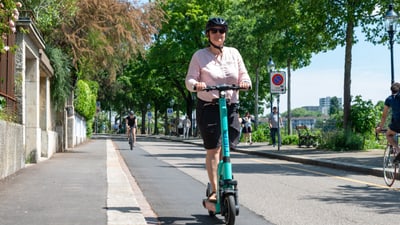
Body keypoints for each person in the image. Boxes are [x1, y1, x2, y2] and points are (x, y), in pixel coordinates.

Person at [185, 17, 252, 202]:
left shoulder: (234, 53)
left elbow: (243, 74)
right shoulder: (199, 56)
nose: (218, 34)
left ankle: (224, 176)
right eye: (214, 31)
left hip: (230, 105)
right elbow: (189, 79)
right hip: (208, 106)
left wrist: (245, 82)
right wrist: (196, 85)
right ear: (208, 34)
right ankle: (214, 189)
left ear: (225, 34)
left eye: (221, 31)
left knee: (228, 147)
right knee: (213, 149)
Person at [376, 82, 400, 163]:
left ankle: (398, 150)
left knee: (389, 135)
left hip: (397, 124)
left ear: (391, 91)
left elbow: (384, 116)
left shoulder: (389, 99)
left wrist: (380, 127)